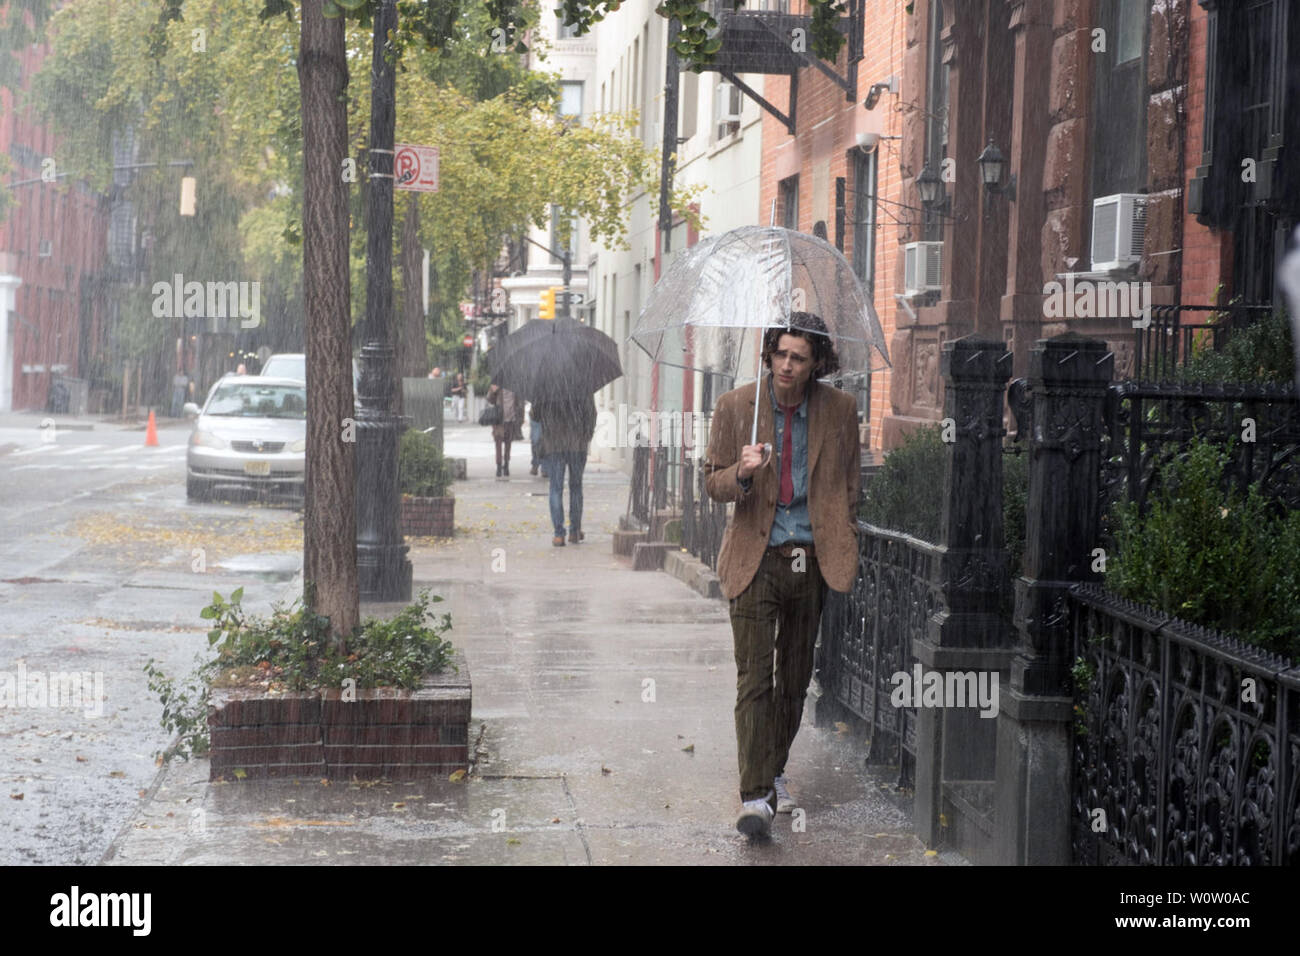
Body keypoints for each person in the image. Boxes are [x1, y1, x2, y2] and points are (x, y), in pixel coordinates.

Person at [702, 313, 860, 839]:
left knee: (793, 682)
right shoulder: (736, 408)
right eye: (781, 354)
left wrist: (842, 534)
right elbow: (712, 483)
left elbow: (849, 486)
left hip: (810, 559)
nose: (787, 365)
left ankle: (771, 770)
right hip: (756, 557)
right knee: (755, 679)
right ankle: (755, 798)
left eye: (799, 357)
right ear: (769, 354)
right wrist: (741, 474)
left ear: (817, 362)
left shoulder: (839, 411)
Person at [531, 393, 597, 546]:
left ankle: (559, 534)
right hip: (577, 443)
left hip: (554, 444)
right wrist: (586, 435)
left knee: (555, 487)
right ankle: (574, 531)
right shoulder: (582, 384)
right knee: (576, 486)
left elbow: (535, 415)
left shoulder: (546, 385)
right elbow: (591, 413)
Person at [485, 383, 522, 479]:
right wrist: (493, 391)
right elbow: (490, 400)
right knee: (498, 443)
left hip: (511, 420)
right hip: (499, 420)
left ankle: (506, 465)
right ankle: (498, 466)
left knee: (508, 443)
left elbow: (519, 403)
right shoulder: (497, 386)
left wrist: (519, 420)